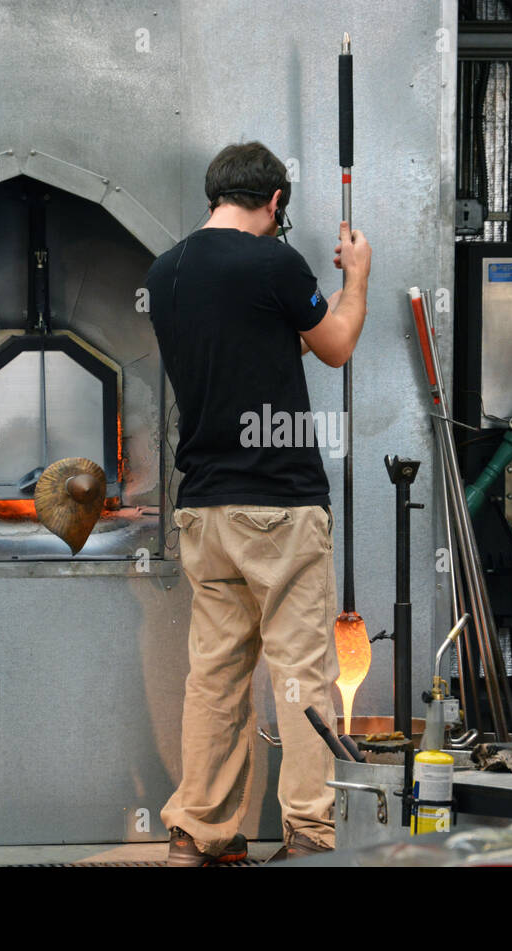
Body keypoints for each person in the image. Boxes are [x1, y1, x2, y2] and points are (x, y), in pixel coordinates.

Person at [146, 141, 371, 865]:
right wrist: (356, 281)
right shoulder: (274, 261)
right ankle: (311, 832)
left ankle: (201, 833)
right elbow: (333, 344)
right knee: (303, 672)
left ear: (215, 192)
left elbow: (252, 349)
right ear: (275, 203)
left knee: (214, 675)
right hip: (277, 503)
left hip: (203, 509)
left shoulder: (166, 271)